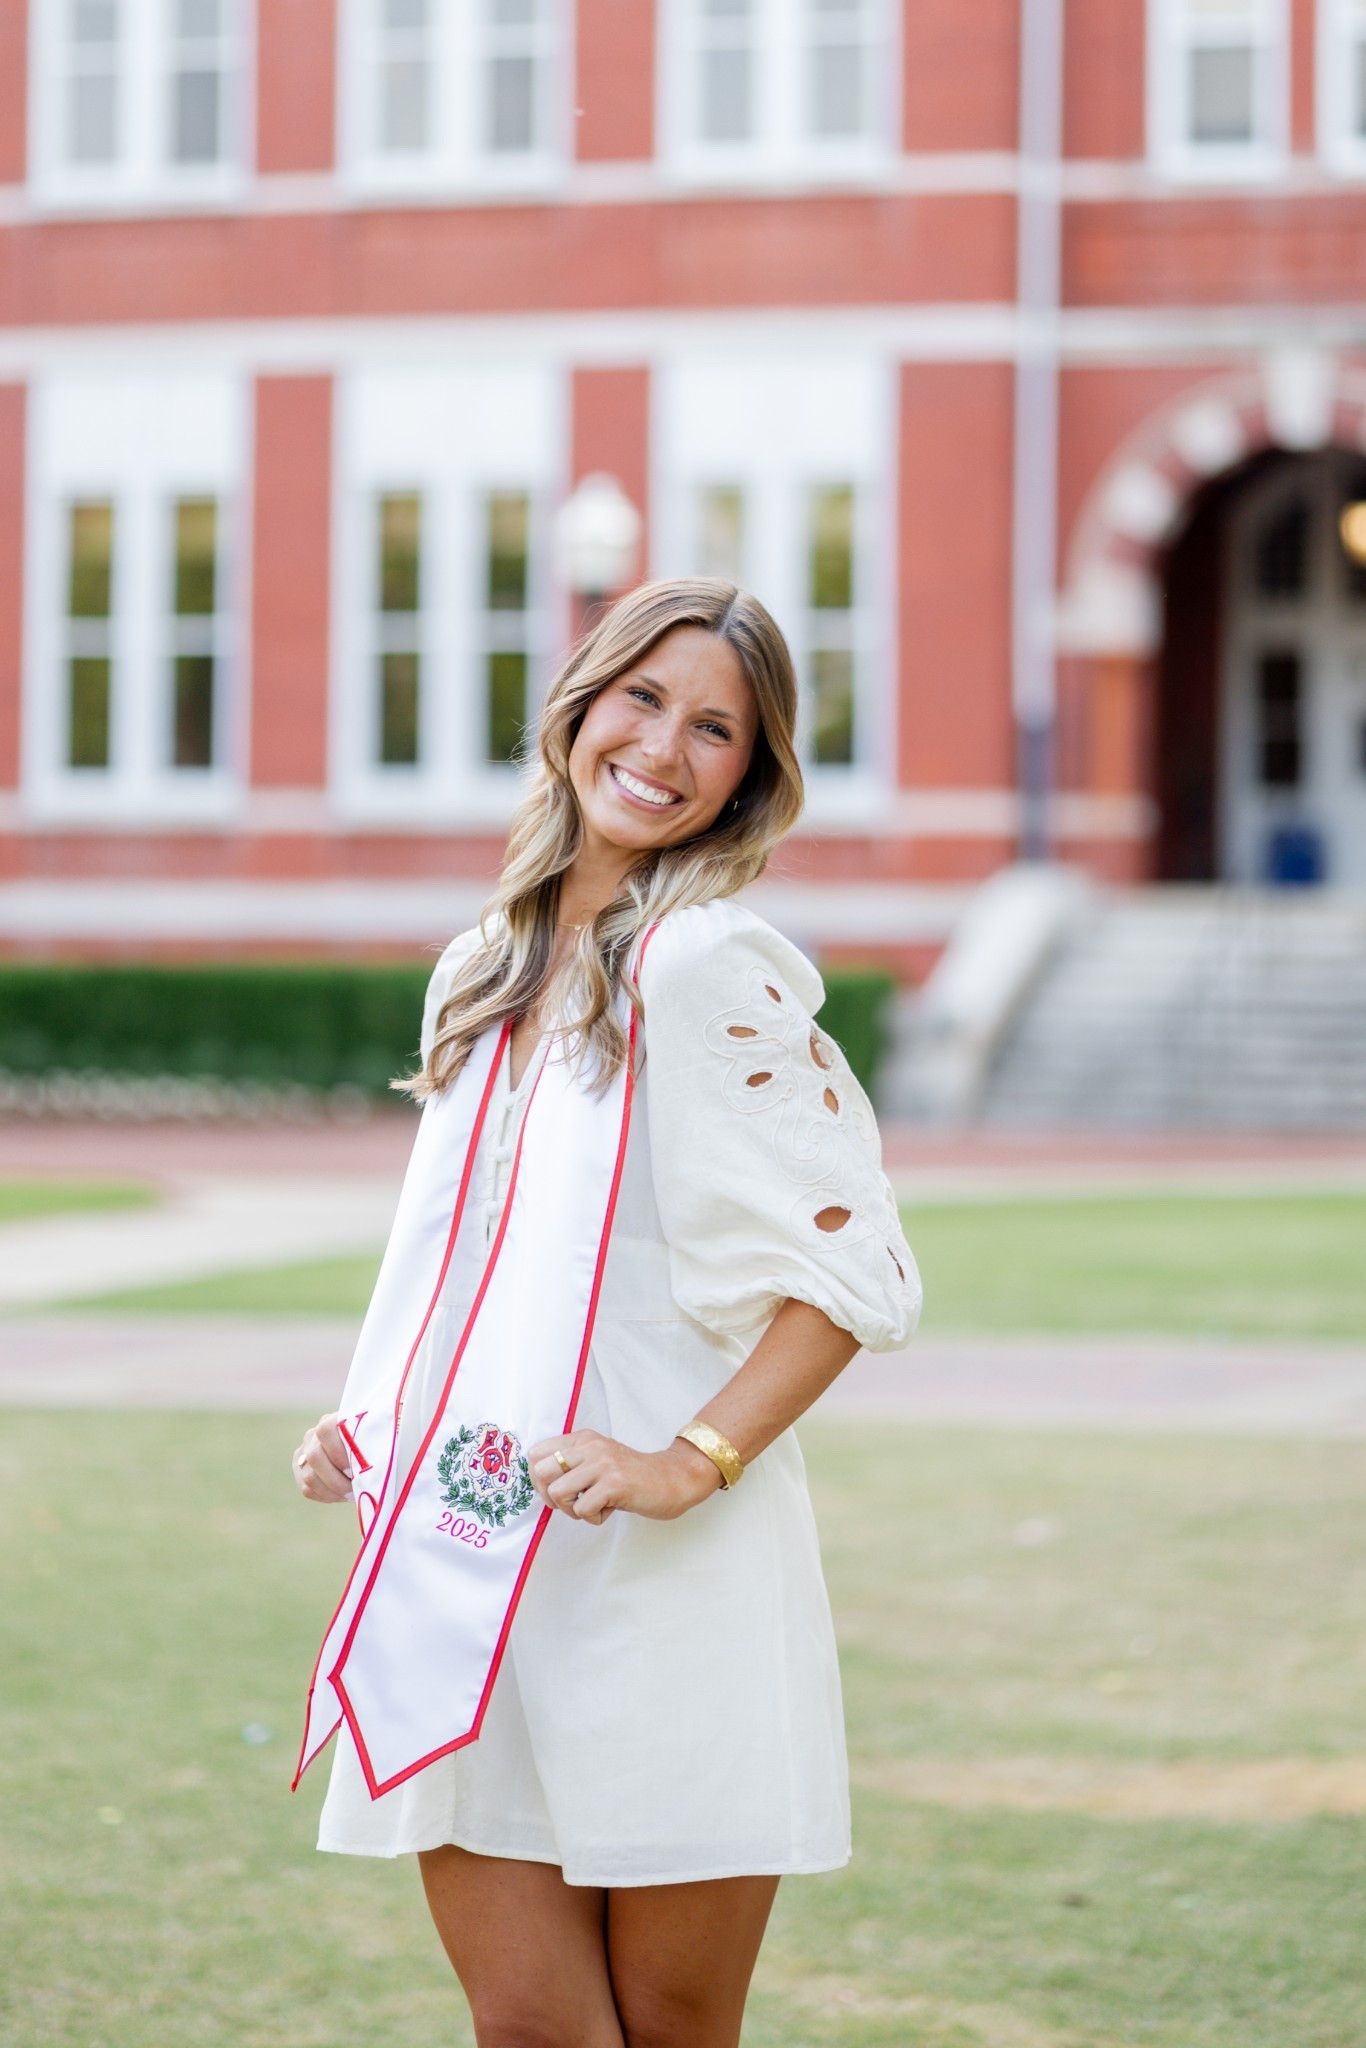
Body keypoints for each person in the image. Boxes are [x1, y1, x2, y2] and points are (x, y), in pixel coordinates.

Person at [292, 578, 921, 2048]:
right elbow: (468, 1262)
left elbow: (850, 1280)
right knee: (527, 2024)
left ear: (745, 782)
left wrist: (680, 1461)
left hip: (659, 1585)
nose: (665, 746)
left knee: (669, 2026)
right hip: (465, 1567)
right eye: (643, 697)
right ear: (578, 701)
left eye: (717, 730)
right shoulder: (482, 970)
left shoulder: (700, 966)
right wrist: (371, 1420)